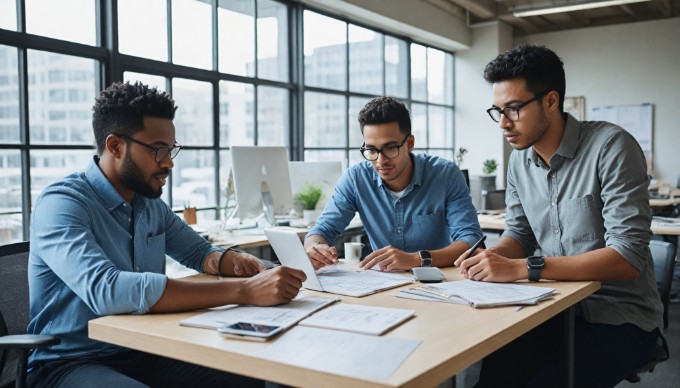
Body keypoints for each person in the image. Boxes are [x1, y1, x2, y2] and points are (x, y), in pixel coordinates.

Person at [27, 81, 306, 388]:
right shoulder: (62, 204)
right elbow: (107, 290)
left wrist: (240, 263)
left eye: (171, 150)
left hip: (146, 349)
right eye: (158, 150)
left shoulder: (147, 204)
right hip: (70, 362)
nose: (169, 162)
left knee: (257, 375)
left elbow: (200, 253)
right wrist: (245, 290)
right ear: (115, 146)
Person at [454, 44, 663, 387]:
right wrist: (489, 258)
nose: (503, 123)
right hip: (552, 305)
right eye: (497, 111)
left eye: (514, 109)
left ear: (551, 101)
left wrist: (523, 268)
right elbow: (520, 236)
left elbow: (627, 258)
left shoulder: (611, 146)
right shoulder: (519, 161)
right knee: (491, 375)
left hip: (619, 314)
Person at [304, 96, 483, 271]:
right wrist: (315, 249)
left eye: (391, 148)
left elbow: (470, 240)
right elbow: (323, 230)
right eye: (372, 150)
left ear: (410, 143)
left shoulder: (445, 175)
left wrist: (415, 259)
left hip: (439, 279)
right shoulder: (356, 179)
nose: (381, 161)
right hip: (383, 283)